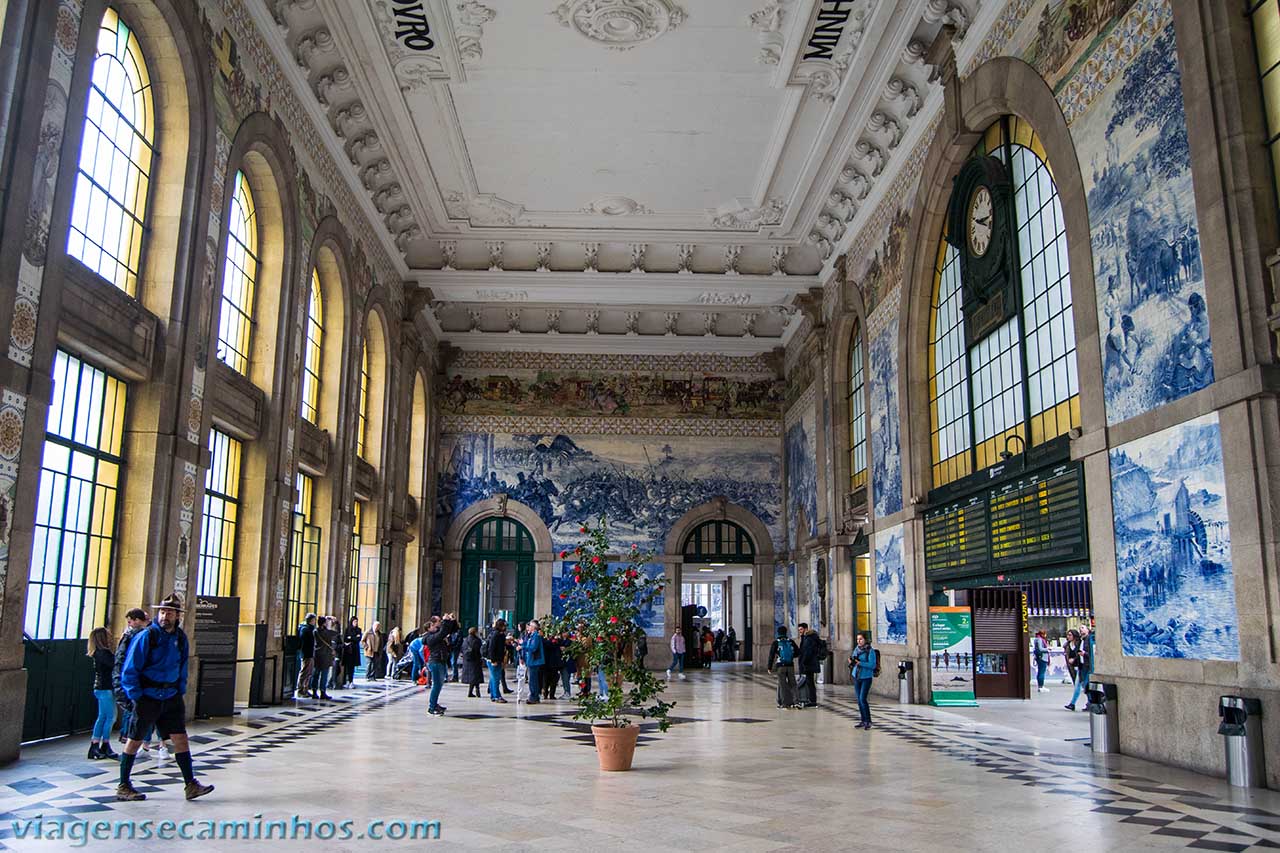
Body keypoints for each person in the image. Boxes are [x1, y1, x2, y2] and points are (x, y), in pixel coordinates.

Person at [117, 594, 213, 802]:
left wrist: (180, 690)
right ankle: (124, 785)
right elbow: (130, 669)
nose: (164, 615)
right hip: (148, 696)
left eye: (169, 612)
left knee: (180, 739)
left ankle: (190, 784)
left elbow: (182, 666)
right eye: (162, 611)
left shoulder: (180, 638)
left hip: (170, 696)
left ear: (178, 615)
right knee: (135, 740)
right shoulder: (146, 637)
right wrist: (136, 697)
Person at [113, 609, 152, 752]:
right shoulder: (131, 635)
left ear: (137, 620)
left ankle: (138, 747)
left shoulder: (142, 636)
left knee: (138, 717)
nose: (129, 624)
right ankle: (131, 752)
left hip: (138, 684)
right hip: (133, 684)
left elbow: (123, 661)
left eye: (130, 621)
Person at [88, 627, 118, 761]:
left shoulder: (98, 652)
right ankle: (104, 744)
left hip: (101, 688)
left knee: (103, 717)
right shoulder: (103, 653)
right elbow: (115, 664)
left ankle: (95, 745)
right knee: (110, 717)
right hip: (105, 688)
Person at [424, 616, 452, 716]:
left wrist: (450, 621)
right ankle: (431, 708)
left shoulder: (435, 634)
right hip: (435, 662)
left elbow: (448, 630)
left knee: (439, 685)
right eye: (438, 622)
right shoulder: (429, 637)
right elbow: (442, 633)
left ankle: (435, 704)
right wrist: (445, 621)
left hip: (440, 661)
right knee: (436, 685)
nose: (437, 627)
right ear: (430, 627)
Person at [849, 632, 877, 730]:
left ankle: (868, 721)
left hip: (866, 677)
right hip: (857, 676)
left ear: (865, 640)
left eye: (861, 639)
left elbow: (872, 665)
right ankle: (863, 720)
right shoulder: (856, 649)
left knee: (862, 699)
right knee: (859, 700)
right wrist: (852, 661)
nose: (859, 641)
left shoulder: (870, 651)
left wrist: (860, 663)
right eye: (857, 639)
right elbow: (853, 659)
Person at [768, 626, 798, 709]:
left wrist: (769, 667)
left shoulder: (776, 642)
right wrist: (791, 656)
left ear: (778, 632)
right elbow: (798, 652)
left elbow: (771, 655)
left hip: (781, 666)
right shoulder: (791, 641)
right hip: (790, 665)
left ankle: (784, 704)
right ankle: (796, 702)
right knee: (793, 684)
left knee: (782, 684)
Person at [1066, 625, 1093, 711]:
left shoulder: (1089, 640)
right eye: (1080, 629)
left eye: (1083, 628)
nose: (1081, 630)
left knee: (1085, 685)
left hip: (1087, 666)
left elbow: (1092, 654)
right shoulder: (1081, 641)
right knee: (1080, 684)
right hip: (1082, 665)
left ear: (1088, 630)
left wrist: (1084, 654)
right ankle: (1073, 703)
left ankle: (1089, 703)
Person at [797, 623, 823, 708]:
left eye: (801, 629)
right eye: (799, 630)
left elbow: (807, 652)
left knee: (810, 683)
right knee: (809, 682)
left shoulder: (809, 639)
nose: (799, 631)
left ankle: (812, 701)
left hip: (809, 664)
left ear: (805, 629)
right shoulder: (808, 637)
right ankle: (811, 699)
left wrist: (803, 662)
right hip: (810, 663)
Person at [312, 616, 337, 700]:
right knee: (324, 674)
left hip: (317, 654)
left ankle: (314, 691)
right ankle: (323, 692)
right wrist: (335, 622)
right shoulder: (326, 632)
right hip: (325, 655)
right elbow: (337, 633)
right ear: (323, 623)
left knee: (316, 674)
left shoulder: (315, 631)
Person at [485, 619, 508, 703]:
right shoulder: (496, 635)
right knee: (495, 678)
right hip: (494, 660)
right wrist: (493, 660)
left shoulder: (498, 634)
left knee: (493, 678)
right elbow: (492, 648)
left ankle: (493, 695)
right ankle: (497, 696)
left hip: (496, 659)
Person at [523, 620, 545, 704]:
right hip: (531, 660)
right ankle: (534, 696)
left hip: (534, 661)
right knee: (533, 679)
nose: (529, 627)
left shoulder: (535, 636)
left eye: (530, 626)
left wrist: (523, 647)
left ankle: (534, 696)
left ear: (534, 627)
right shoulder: (532, 636)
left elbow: (533, 647)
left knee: (533, 680)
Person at [296, 613, 317, 698]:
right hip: (306, 654)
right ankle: (300, 690)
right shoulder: (305, 629)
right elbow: (303, 642)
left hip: (310, 653)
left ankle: (305, 688)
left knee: (309, 672)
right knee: (304, 672)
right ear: (311, 620)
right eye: (314, 620)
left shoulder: (311, 629)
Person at [461, 627, 484, 698]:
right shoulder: (477, 640)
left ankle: (472, 692)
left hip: (467, 660)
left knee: (473, 677)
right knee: (475, 676)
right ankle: (477, 691)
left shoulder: (465, 640)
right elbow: (479, 651)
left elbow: (462, 649)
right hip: (475, 660)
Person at [543, 627, 562, 700]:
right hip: (549, 664)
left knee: (551, 680)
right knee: (548, 680)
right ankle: (548, 693)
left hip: (551, 664)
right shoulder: (548, 642)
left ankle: (550, 694)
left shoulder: (553, 642)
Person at [342, 617, 362, 689]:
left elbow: (358, 639)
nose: (356, 623)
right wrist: (353, 637)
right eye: (354, 621)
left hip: (354, 651)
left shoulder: (359, 630)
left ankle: (351, 681)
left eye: (357, 621)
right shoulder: (347, 629)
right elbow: (345, 638)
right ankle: (346, 681)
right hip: (348, 651)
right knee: (347, 666)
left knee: (352, 667)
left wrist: (351, 637)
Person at [558, 629, 576, 697]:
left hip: (567, 663)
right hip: (562, 663)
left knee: (566, 678)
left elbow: (570, 650)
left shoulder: (570, 642)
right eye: (563, 632)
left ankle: (567, 692)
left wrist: (565, 649)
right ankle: (565, 691)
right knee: (563, 678)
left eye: (565, 632)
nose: (564, 634)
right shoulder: (561, 641)